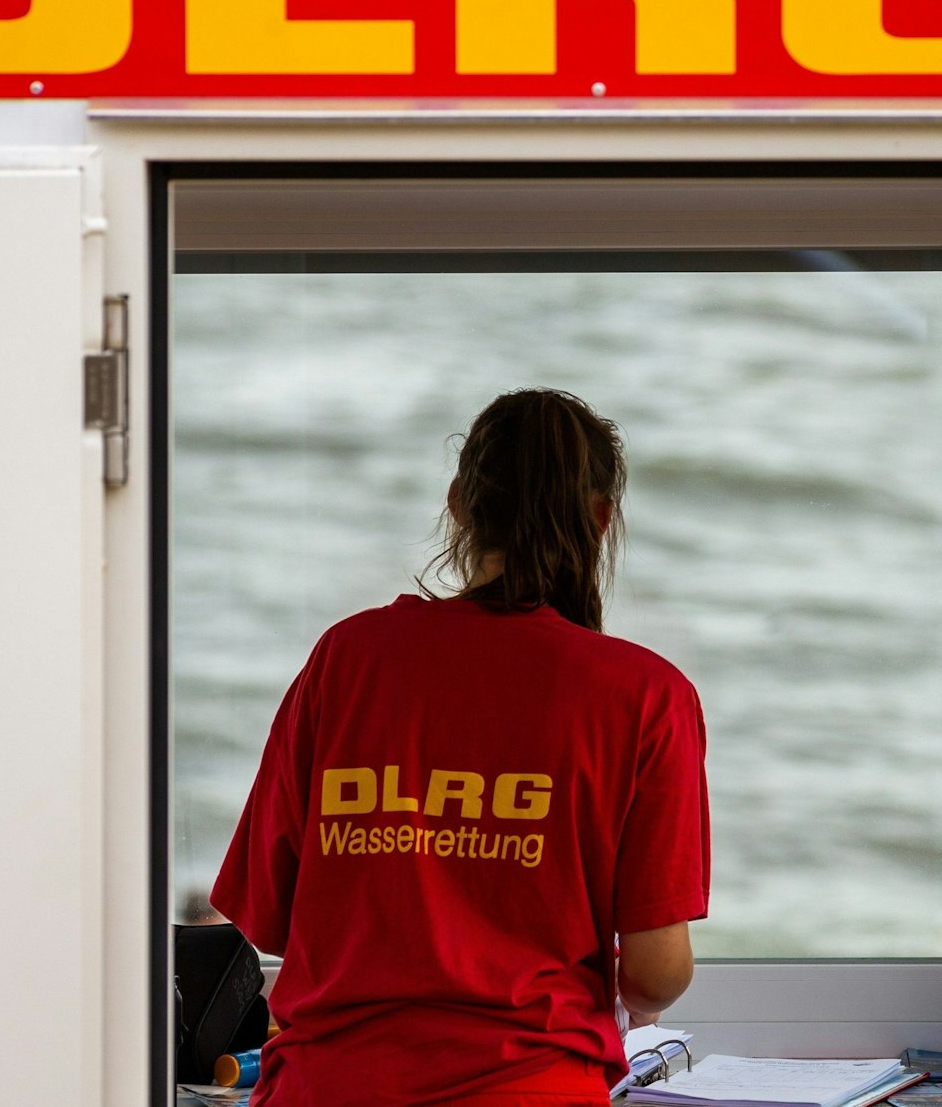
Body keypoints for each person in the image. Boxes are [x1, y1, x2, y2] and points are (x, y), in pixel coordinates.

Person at [212, 389, 711, 1107]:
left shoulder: (347, 660)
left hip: (326, 1089)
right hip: (530, 1090)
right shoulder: (645, 696)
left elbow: (270, 915)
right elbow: (654, 976)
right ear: (603, 518)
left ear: (459, 505)